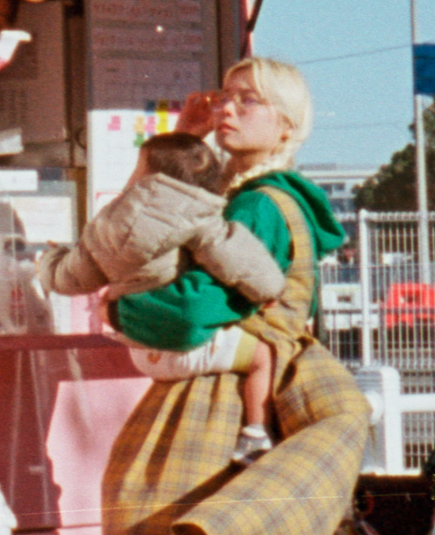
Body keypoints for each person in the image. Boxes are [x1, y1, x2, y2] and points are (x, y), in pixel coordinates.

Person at [85, 55, 382, 535]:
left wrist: (120, 304)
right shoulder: (275, 200)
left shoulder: (256, 205)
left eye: (252, 100)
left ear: (285, 126)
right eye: (229, 93)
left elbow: (188, 312)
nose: (229, 107)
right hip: (253, 406)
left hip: (213, 417)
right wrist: (182, 142)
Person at [45, 92, 285, 462]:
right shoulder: (198, 217)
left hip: (140, 349)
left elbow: (68, 278)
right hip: (185, 349)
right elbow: (239, 258)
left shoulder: (105, 223)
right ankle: (256, 431)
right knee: (264, 356)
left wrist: (49, 259)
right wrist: (270, 289)